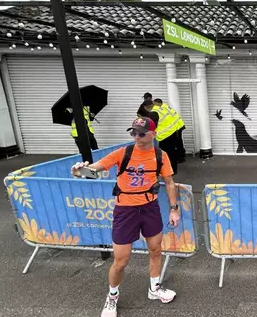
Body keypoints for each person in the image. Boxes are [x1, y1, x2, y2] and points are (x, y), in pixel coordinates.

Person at [71, 117, 180, 317]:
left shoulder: (160, 155)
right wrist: (80, 171)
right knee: (121, 260)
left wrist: (174, 209)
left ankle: (154, 289)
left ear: (153, 134)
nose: (136, 137)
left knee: (156, 250)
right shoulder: (124, 153)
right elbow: (94, 170)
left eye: (141, 133)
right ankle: (112, 297)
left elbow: (170, 183)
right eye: (133, 133)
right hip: (125, 211)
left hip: (149, 207)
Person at [144, 100, 181, 173]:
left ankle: (169, 171)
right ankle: (173, 170)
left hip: (165, 136)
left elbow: (151, 126)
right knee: (172, 152)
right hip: (172, 132)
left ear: (146, 107)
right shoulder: (161, 108)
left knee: (166, 155)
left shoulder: (153, 113)